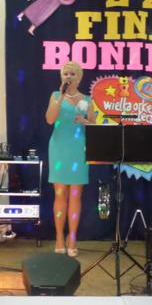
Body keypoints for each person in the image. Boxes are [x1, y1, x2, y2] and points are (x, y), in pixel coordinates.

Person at [45, 61, 96, 257]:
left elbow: (94, 125)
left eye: (72, 74)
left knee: (76, 195)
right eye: (66, 73)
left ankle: (72, 237)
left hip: (78, 149)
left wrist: (86, 122)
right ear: (61, 77)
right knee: (60, 195)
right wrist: (61, 96)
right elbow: (50, 119)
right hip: (59, 148)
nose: (68, 76)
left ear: (79, 78)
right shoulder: (55, 95)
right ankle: (59, 237)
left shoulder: (87, 99)